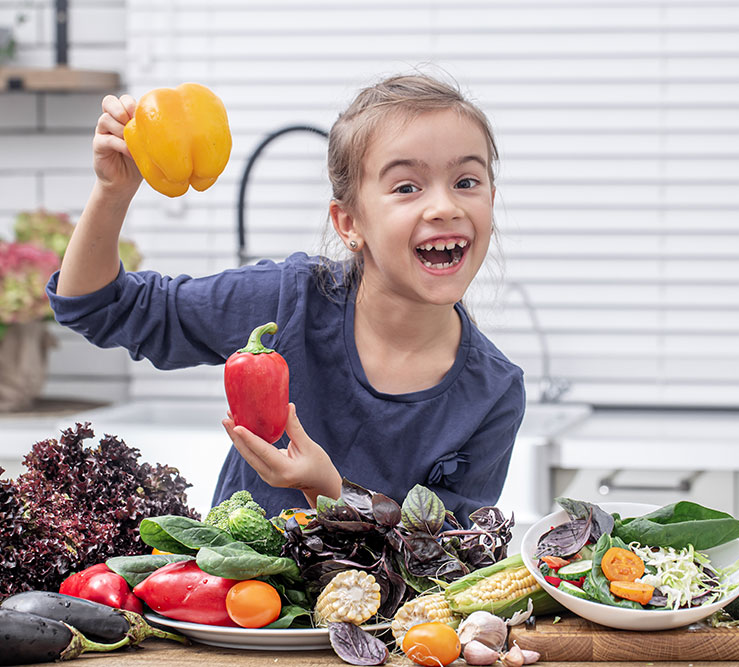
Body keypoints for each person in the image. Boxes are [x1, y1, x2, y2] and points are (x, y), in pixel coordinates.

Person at [47, 72, 526, 523]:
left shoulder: (493, 393)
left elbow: (451, 561)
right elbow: (95, 305)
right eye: (406, 186)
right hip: (233, 608)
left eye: (467, 181)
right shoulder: (288, 302)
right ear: (349, 224)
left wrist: (331, 493)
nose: (445, 206)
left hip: (381, 615)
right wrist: (113, 192)